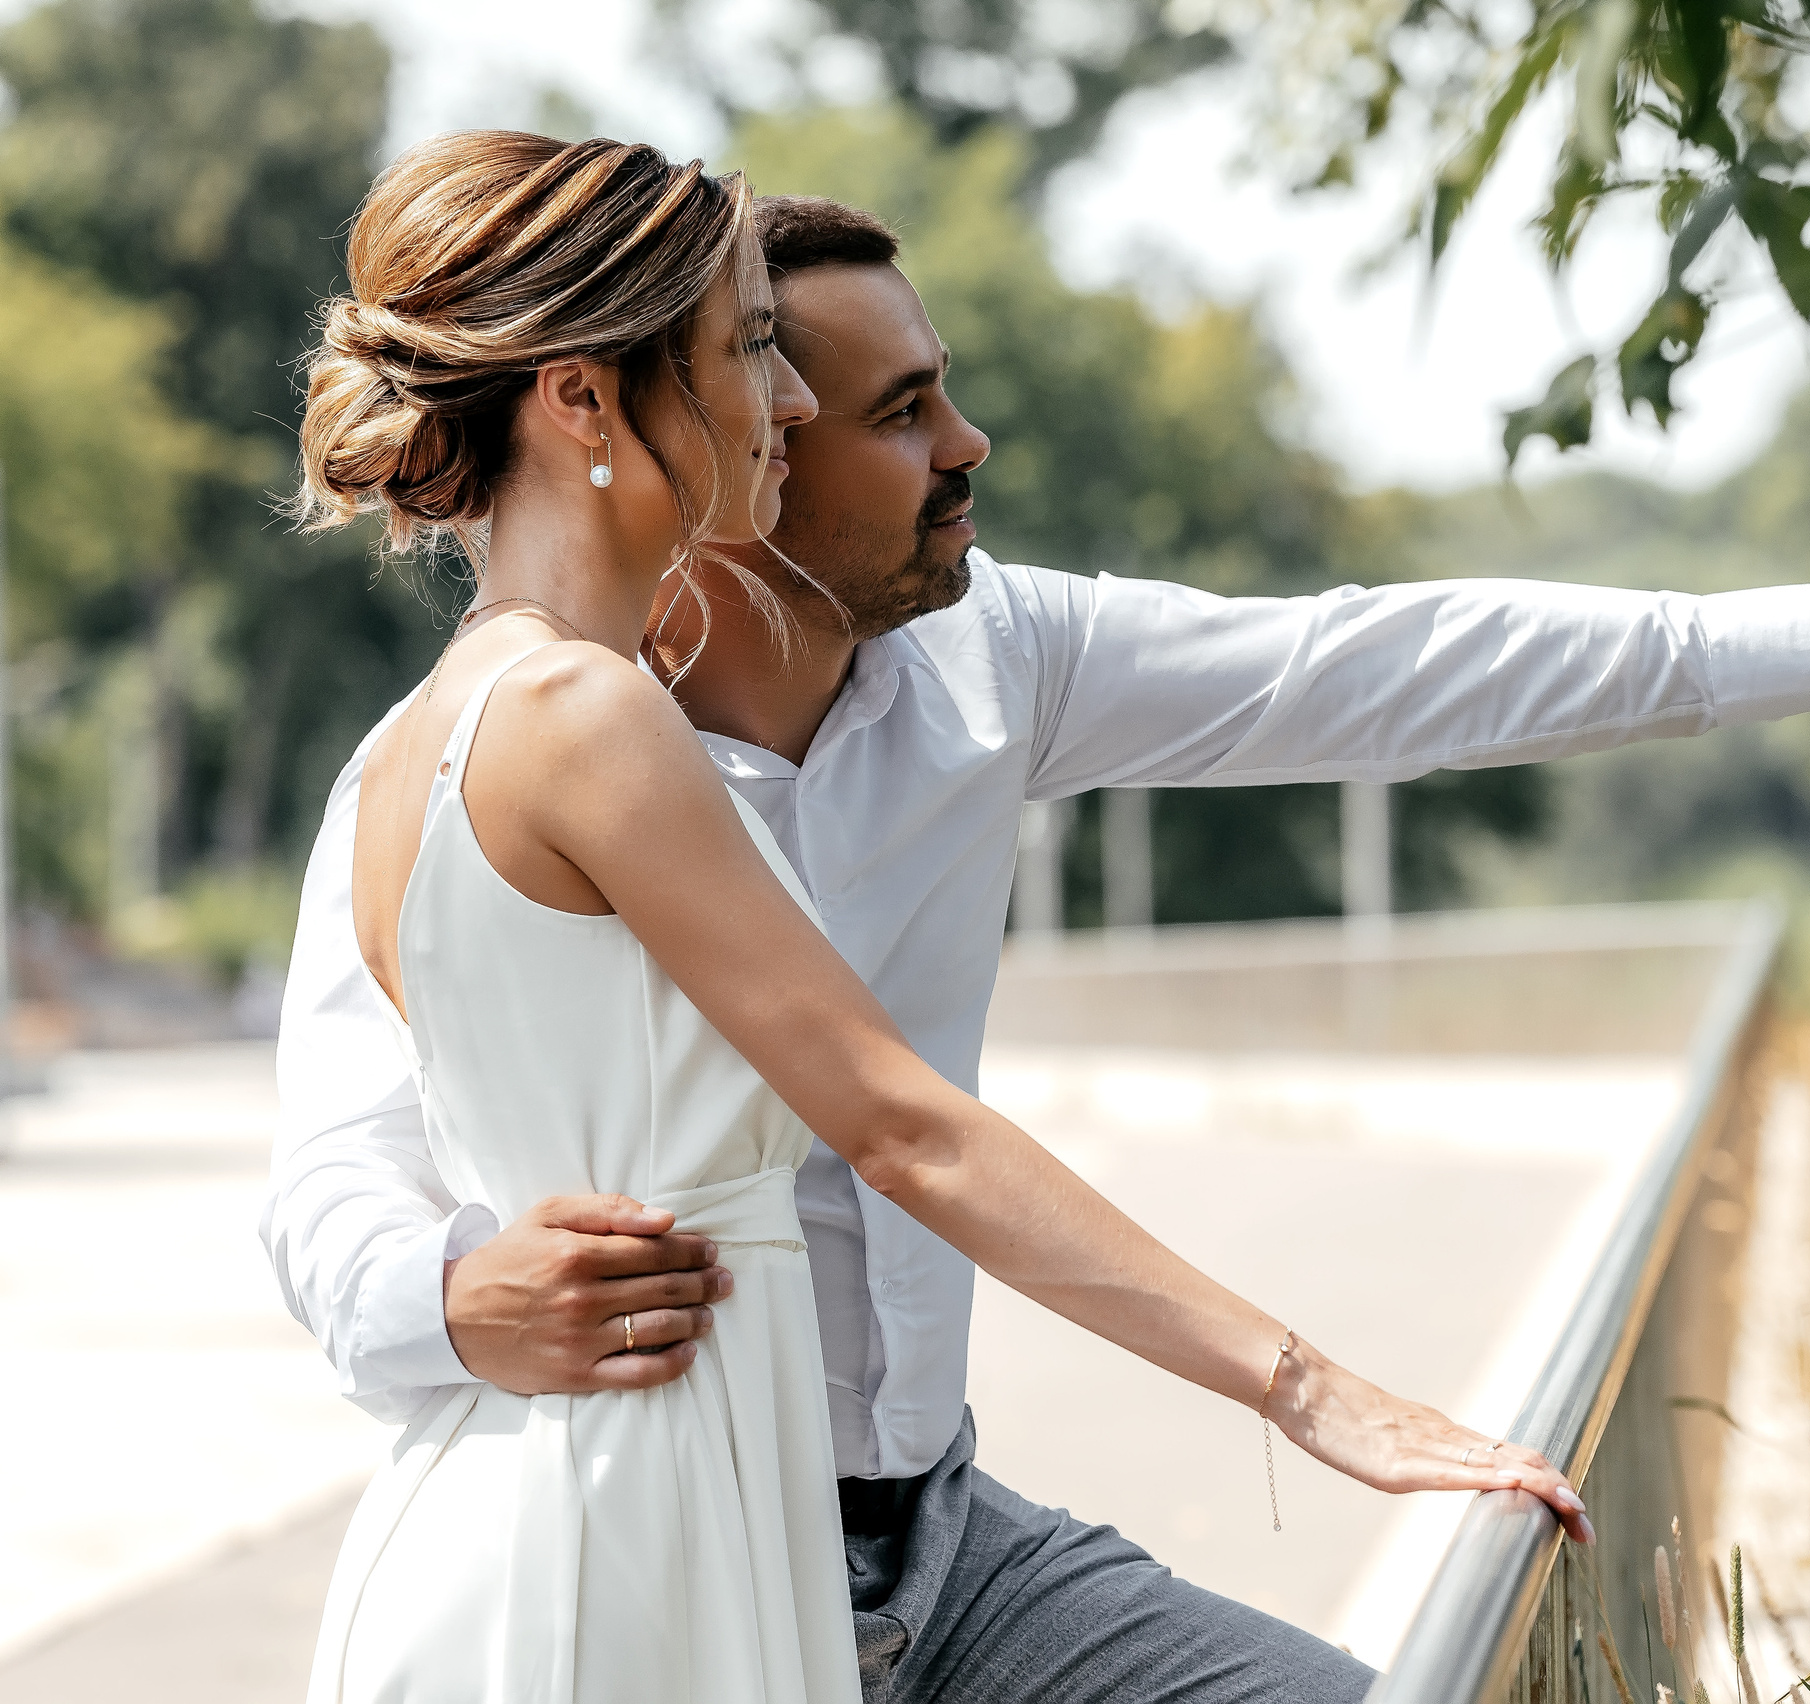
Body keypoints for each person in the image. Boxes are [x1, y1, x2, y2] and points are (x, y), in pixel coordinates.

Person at [267, 171, 1810, 1700]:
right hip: (651, 1543)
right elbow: (344, 1182)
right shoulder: (479, 752)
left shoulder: (996, 651)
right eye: (876, 402)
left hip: (933, 1551)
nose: (968, 442)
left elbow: (1375, 663)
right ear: (663, 415)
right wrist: (452, 1298)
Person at [285, 132, 1593, 1704]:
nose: (782, 402)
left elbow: (1370, 667)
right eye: (745, 351)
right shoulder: (587, 713)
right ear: (584, 401)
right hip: (636, 1548)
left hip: (563, 1517)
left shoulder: (424, 741)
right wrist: (1312, 1397)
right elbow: (905, 1128)